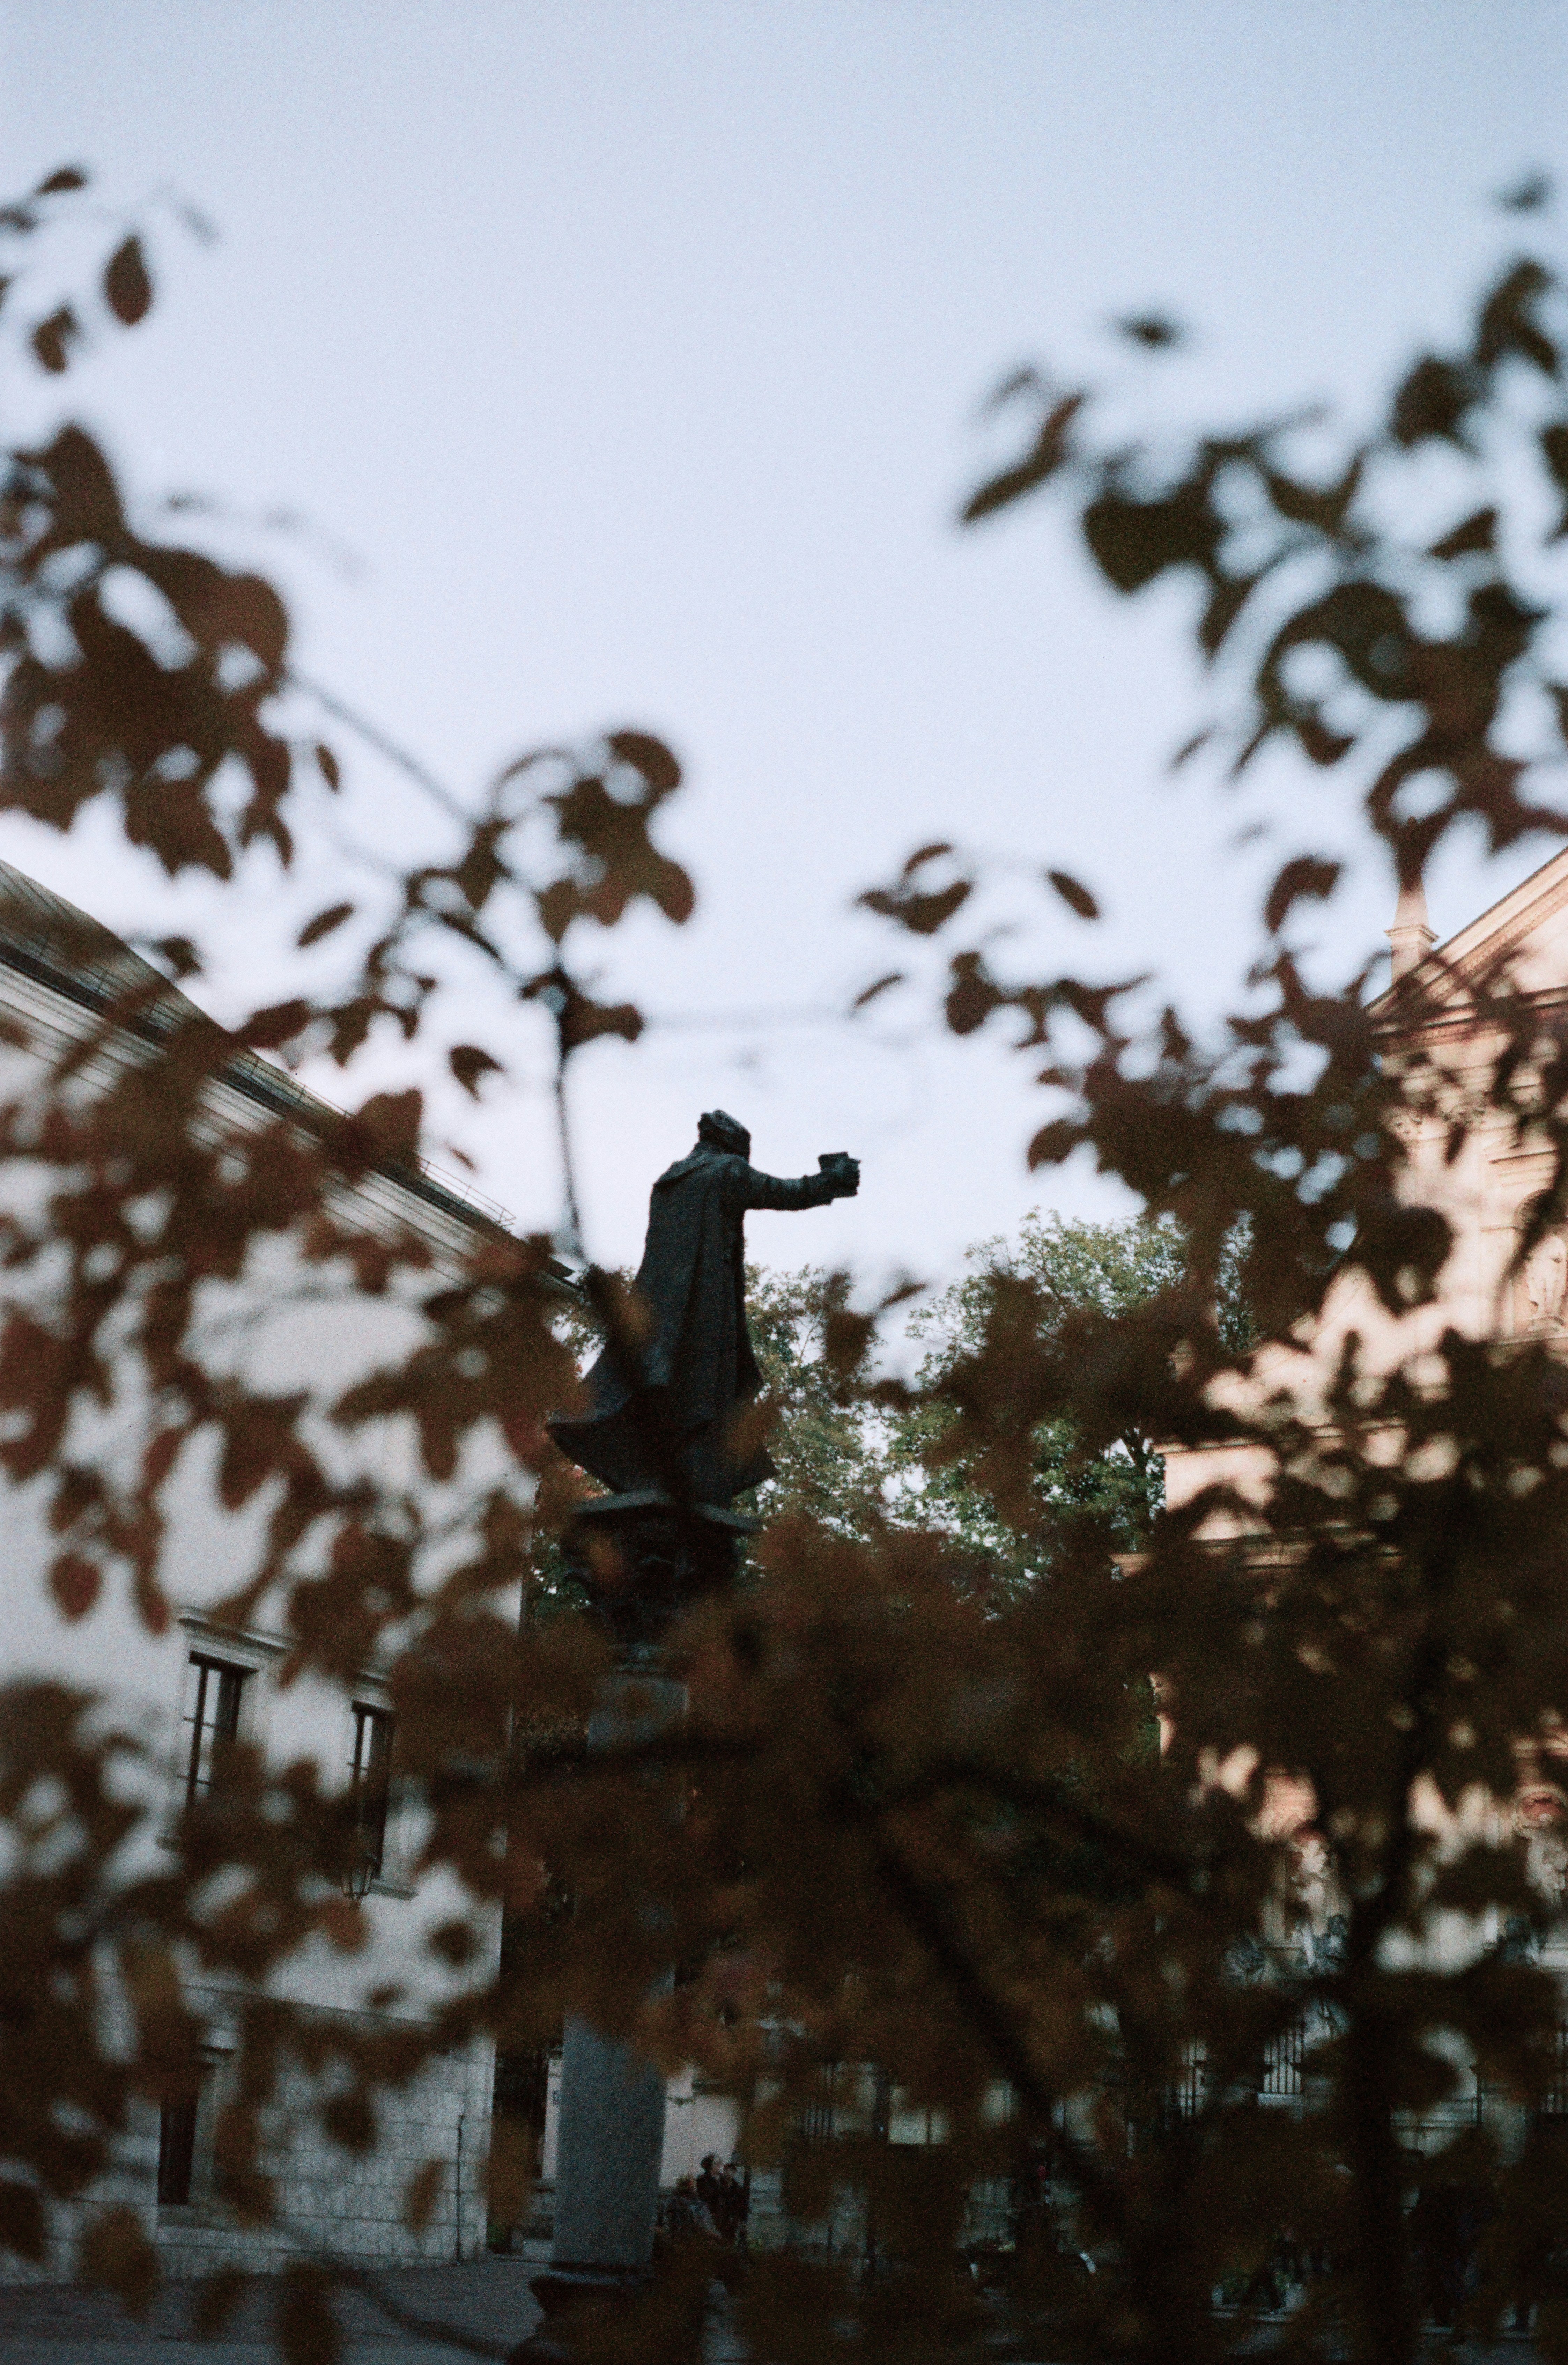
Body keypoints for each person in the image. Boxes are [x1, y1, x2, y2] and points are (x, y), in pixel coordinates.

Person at [549, 1111, 859, 1507]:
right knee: (705, 1392)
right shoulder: (725, 1171)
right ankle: (692, 1469)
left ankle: (660, 1466)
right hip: (705, 1306)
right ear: (734, 1148)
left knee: (667, 1385)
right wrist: (832, 1180)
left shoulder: (672, 1180)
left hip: (658, 1311)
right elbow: (781, 1192)